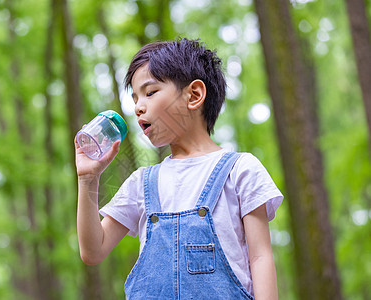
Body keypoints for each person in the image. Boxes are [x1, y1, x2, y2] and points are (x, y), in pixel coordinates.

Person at [75, 38, 283, 300]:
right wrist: (88, 179)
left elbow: (260, 257)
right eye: (135, 98)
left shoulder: (240, 169)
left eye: (150, 93)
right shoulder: (141, 182)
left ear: (194, 95)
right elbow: (93, 251)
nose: (138, 107)